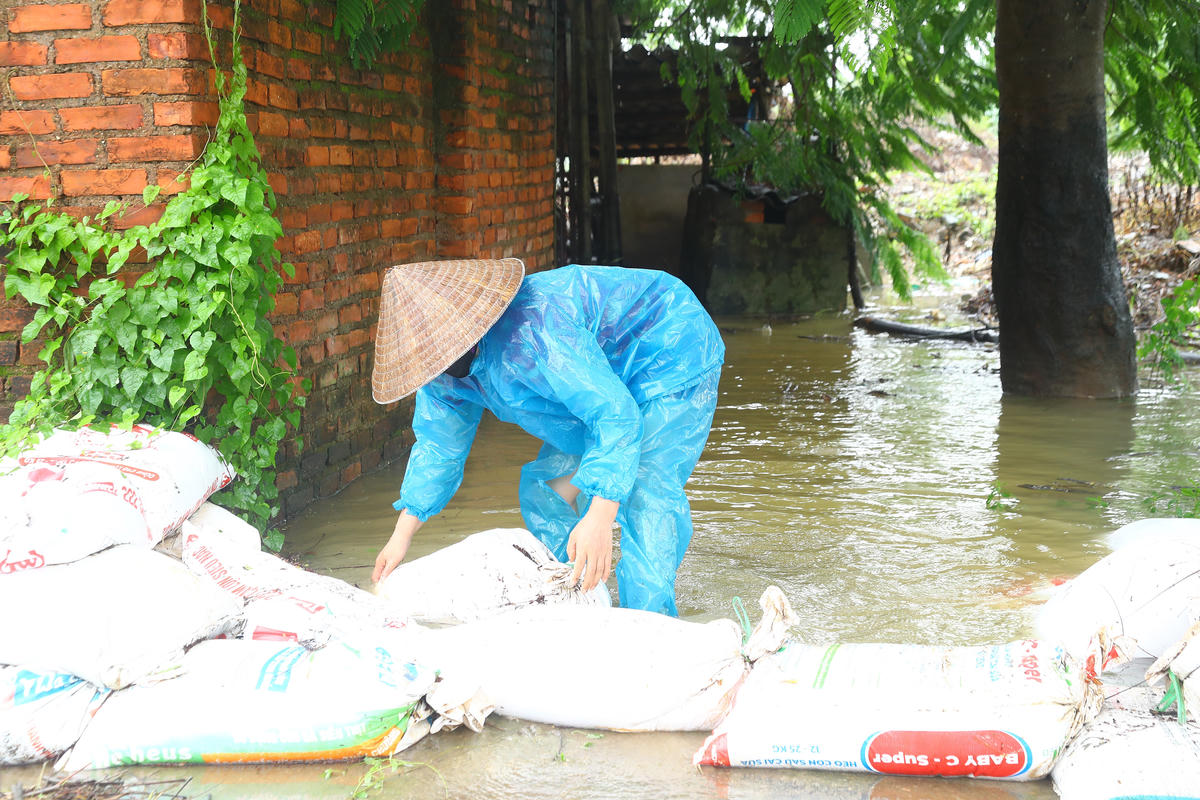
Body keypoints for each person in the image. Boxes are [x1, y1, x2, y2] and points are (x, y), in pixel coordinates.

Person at [369, 258, 724, 616]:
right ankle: (578, 595)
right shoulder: (439, 373)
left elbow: (616, 415)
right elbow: (438, 447)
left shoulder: (535, 328)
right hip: (600, 384)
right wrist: (401, 536)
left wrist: (600, 517)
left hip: (668, 348)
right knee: (545, 490)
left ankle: (653, 627)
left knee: (644, 490)